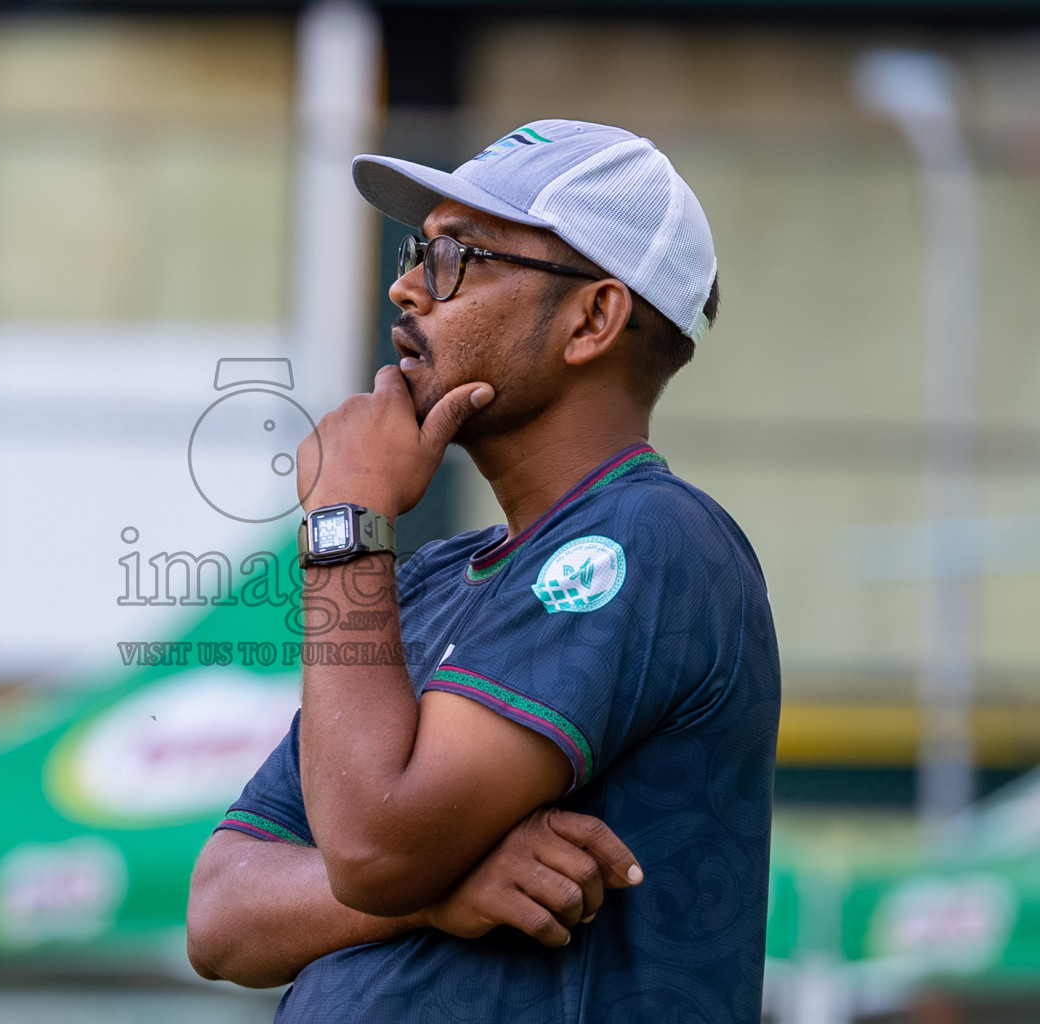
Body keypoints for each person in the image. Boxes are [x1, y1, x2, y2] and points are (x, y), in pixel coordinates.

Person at [187, 118, 780, 1022]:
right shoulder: (426, 580)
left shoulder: (646, 538)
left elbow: (375, 845)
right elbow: (222, 911)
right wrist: (434, 895)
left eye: (458, 257)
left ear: (594, 319)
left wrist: (347, 520)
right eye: (419, 250)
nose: (407, 287)